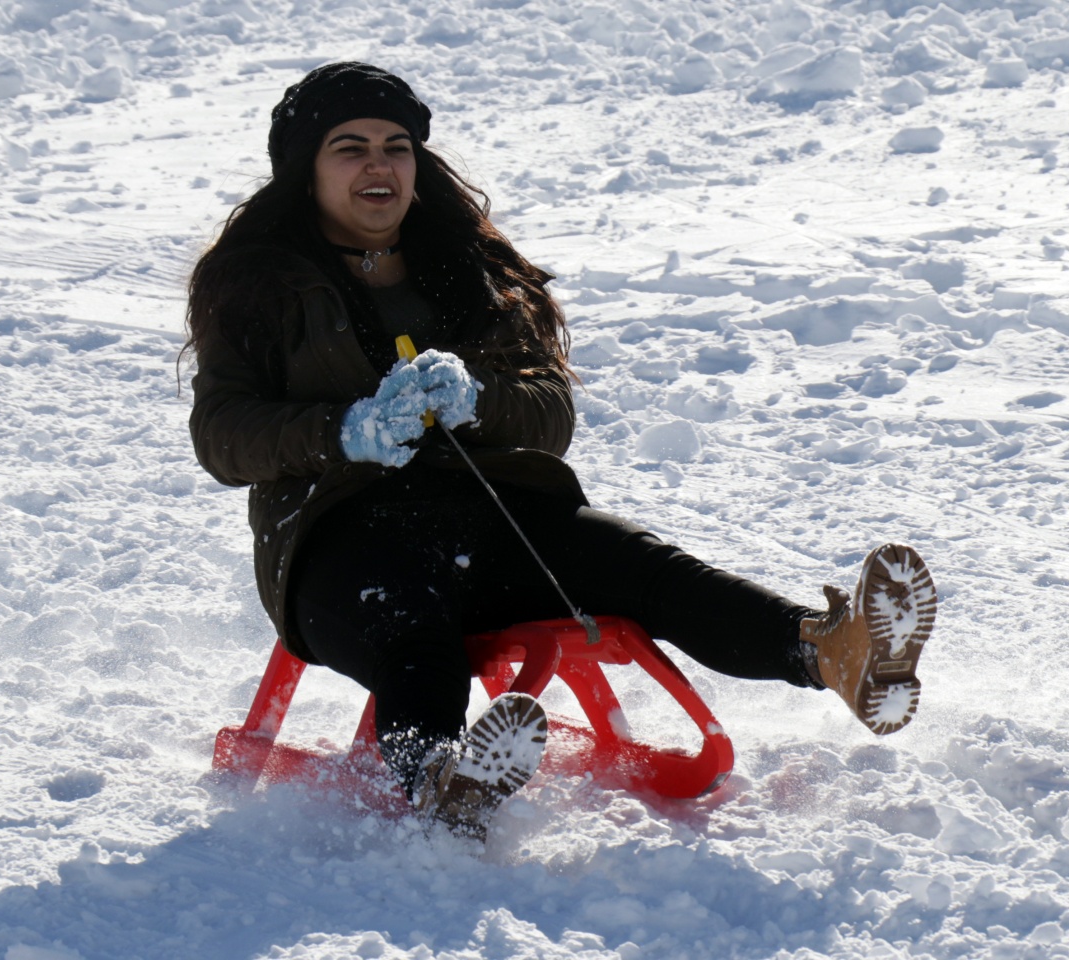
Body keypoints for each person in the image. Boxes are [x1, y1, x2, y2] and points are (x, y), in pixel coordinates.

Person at [186, 62, 936, 841]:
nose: (379, 165)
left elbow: (549, 413)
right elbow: (223, 434)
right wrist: (346, 430)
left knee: (645, 568)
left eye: (396, 146)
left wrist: (479, 398)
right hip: (338, 540)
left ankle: (830, 651)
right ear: (306, 170)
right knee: (411, 630)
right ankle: (440, 779)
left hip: (494, 517)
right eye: (350, 147)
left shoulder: (469, 271)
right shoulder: (254, 285)